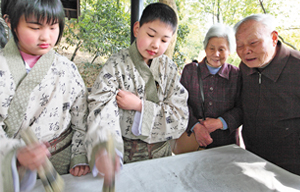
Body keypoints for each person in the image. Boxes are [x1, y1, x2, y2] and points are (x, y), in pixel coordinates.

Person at [85, 2, 188, 182]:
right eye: (150, 34)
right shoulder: (116, 65)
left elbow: (180, 117)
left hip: (161, 152)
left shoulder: (169, 68)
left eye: (164, 40)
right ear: (137, 28)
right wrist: (106, 149)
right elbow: (100, 109)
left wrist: (140, 106)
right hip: (126, 153)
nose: (156, 44)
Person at [0, 0, 90, 191]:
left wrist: (80, 155)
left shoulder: (67, 69)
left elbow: (82, 117)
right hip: (15, 166)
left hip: (64, 162)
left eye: (53, 27)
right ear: (10, 22)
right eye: (35, 27)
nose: (46, 37)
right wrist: (15, 153)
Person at [234, 14, 300, 175]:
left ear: (274, 37)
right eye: (239, 45)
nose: (245, 51)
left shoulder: (296, 67)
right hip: (252, 162)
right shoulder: (243, 68)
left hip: (292, 168)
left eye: (253, 43)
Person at [173, 23, 242, 154]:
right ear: (205, 49)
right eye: (211, 48)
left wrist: (220, 123)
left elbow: (242, 108)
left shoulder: (236, 75)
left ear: (229, 51)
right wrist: (196, 126)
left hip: (226, 146)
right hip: (193, 143)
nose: (216, 54)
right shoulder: (190, 71)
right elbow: (179, 103)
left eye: (222, 49)